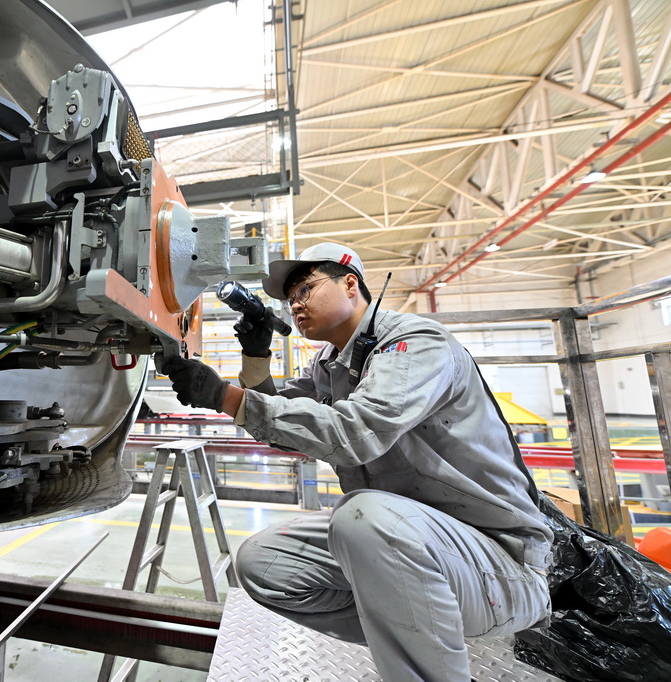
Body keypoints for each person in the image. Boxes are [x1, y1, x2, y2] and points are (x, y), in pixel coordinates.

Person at [157, 242, 553, 682]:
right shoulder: (330, 364)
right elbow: (290, 430)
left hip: (498, 565)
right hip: (414, 549)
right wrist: (256, 356)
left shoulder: (415, 343)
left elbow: (353, 434)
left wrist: (224, 397)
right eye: (290, 300)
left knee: (361, 516)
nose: (295, 306)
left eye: (305, 289)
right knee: (262, 563)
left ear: (350, 283)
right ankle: (420, 632)